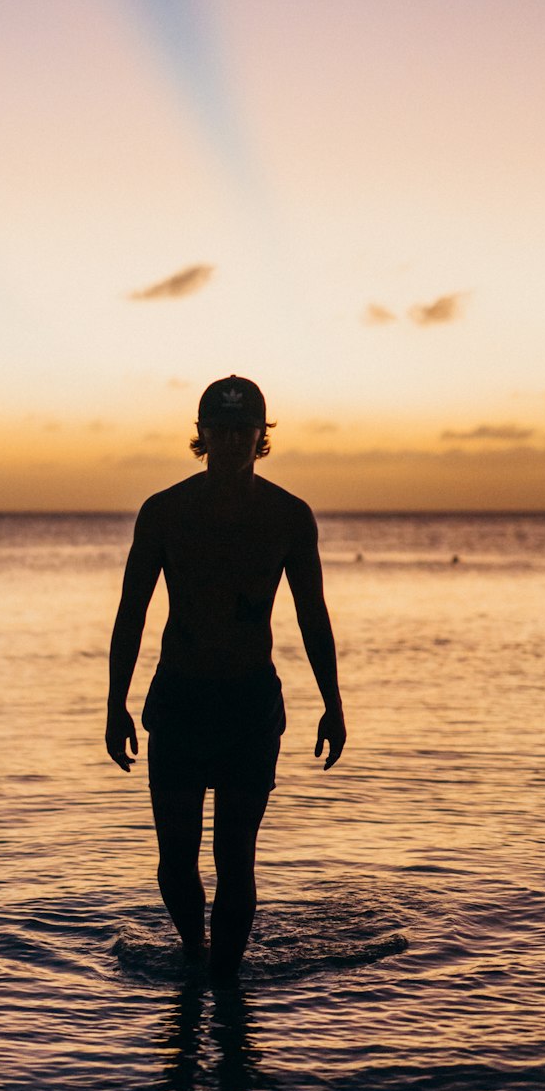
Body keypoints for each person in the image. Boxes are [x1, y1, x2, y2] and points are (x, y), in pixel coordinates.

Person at [105, 375, 346, 984]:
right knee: (175, 862)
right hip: (180, 700)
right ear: (202, 433)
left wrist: (333, 704)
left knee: (236, 858)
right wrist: (115, 705)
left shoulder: (289, 517)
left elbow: (312, 615)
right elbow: (131, 613)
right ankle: (194, 955)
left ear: (263, 436)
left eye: (245, 429)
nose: (233, 440)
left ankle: (225, 988)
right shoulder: (165, 512)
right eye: (221, 428)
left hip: (249, 706)